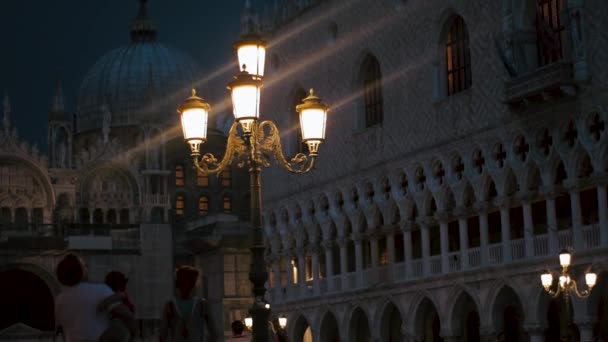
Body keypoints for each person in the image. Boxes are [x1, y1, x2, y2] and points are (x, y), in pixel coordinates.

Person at [54, 253, 114, 342]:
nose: (87, 267)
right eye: (84, 265)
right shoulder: (101, 290)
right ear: (81, 271)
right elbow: (123, 312)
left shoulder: (59, 299)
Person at [160, 265, 216, 342]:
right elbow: (214, 333)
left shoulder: (170, 305)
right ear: (193, 284)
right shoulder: (202, 304)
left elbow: (162, 335)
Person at [98, 271, 137, 342]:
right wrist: (135, 332)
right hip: (120, 329)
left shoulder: (116, 295)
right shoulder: (116, 295)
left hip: (119, 329)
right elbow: (126, 314)